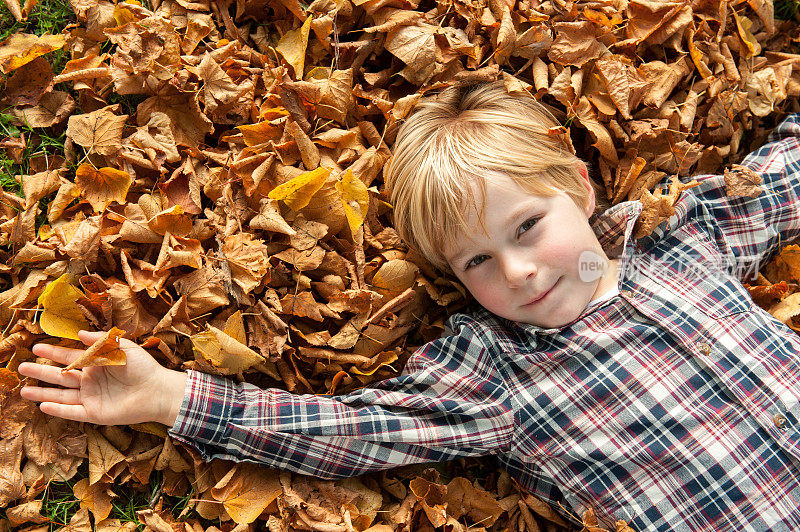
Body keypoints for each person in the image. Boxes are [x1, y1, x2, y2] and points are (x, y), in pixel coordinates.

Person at [17, 81, 800, 531]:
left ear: (578, 187)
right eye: (478, 261)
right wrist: (171, 396)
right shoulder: (498, 375)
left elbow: (785, 174)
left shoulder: (679, 236)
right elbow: (354, 432)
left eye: (528, 226)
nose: (521, 272)